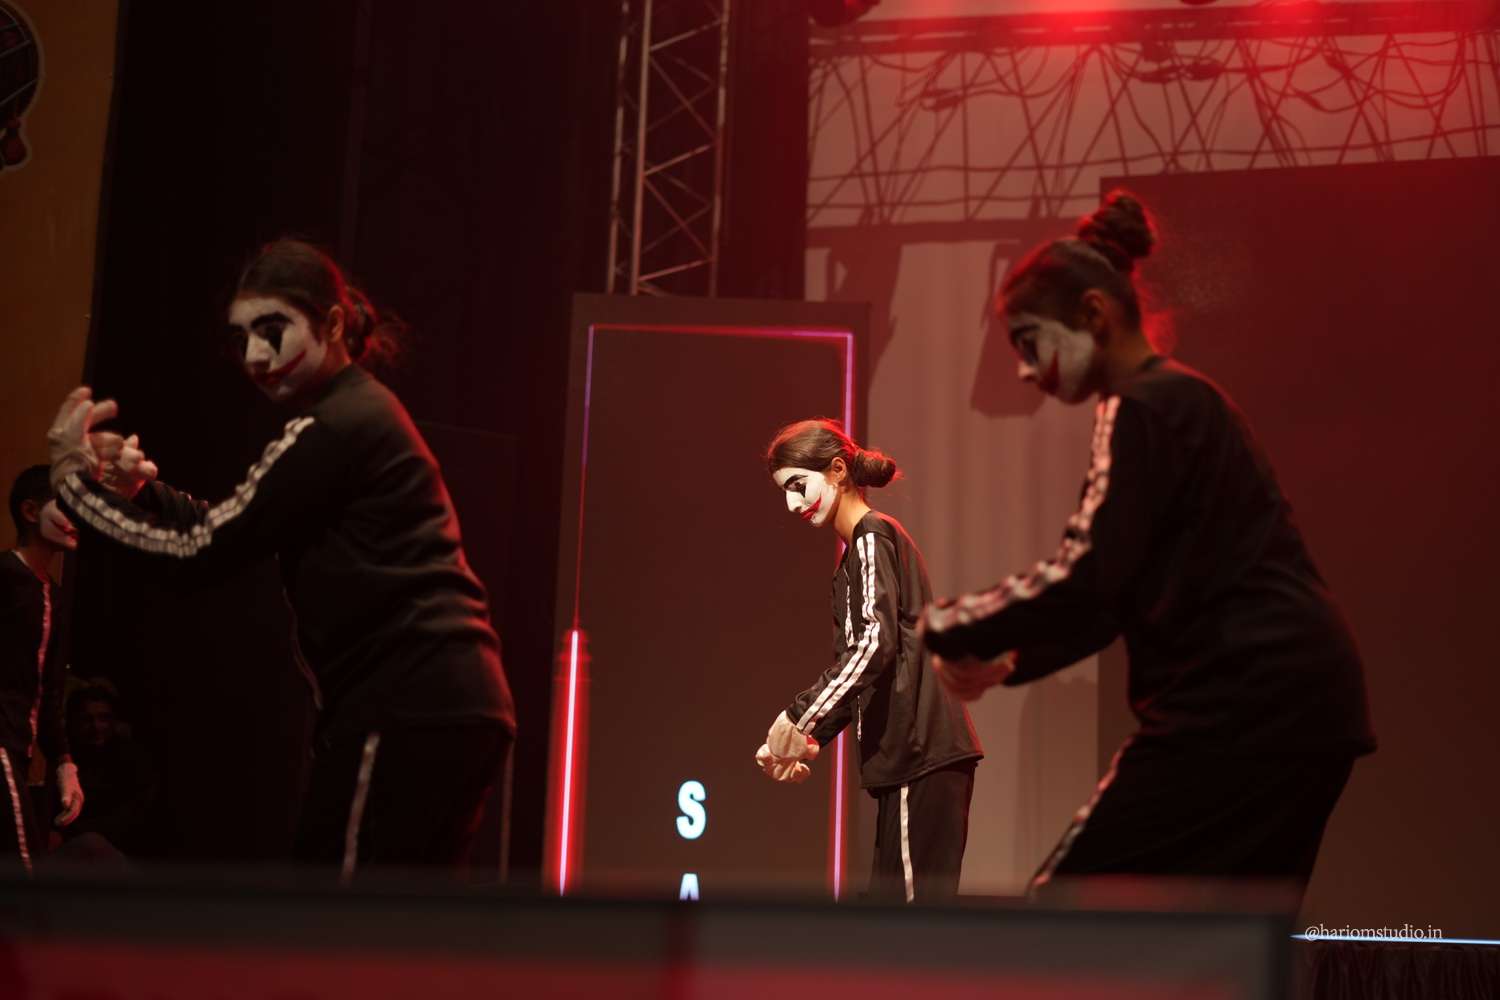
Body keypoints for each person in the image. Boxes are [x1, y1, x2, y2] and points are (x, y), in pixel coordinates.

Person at [920, 192, 1375, 899]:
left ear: (1093, 315)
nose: (1024, 371)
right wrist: (1012, 659)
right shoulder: (1178, 401)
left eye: (1030, 343)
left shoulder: (1141, 406)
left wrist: (948, 623)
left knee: (1067, 909)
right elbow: (1117, 593)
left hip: (1245, 702)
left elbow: (1089, 570)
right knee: (1224, 934)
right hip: (1302, 702)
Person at [47, 239, 515, 878]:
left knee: (338, 918)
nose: (255, 357)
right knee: (389, 923)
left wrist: (73, 487)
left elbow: (198, 553)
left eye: (272, 330)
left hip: (406, 704)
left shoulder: (335, 425)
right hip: (445, 703)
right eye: (241, 338)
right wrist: (139, 493)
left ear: (333, 324)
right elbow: (235, 524)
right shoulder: (354, 415)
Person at [758, 419, 982, 902]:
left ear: (837, 470)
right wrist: (802, 737)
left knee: (910, 924)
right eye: (784, 492)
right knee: (894, 918)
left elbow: (872, 646)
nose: (792, 504)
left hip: (920, 753)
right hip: (914, 757)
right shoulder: (864, 546)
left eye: (797, 485)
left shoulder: (870, 537)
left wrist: (799, 719)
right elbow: (866, 659)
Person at [1, 466, 85, 871]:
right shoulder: (4, 577)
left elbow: (48, 690)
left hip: (18, 751)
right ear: (32, 512)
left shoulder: (53, 593)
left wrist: (65, 762)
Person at [60, 681, 155, 858]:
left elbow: (133, 814)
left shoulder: (131, 758)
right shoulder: (65, 761)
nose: (96, 727)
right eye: (86, 719)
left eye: (103, 718)